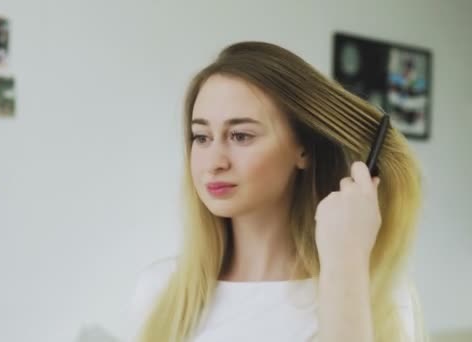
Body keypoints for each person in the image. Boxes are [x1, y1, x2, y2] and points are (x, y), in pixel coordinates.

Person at [128, 42, 424, 342]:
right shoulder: (160, 290)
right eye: (202, 137)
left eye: (240, 136)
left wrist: (345, 262)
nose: (214, 163)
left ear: (304, 148)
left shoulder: (374, 290)